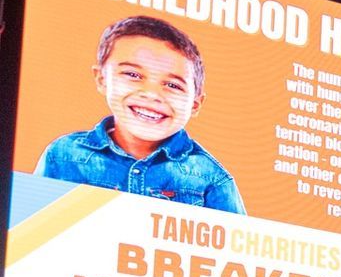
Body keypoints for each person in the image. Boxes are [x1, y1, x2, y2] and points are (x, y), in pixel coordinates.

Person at [35, 16, 245, 213]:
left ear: (195, 104)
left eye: (172, 85)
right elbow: (29, 235)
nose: (152, 94)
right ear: (101, 79)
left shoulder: (212, 179)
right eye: (133, 75)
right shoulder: (63, 155)